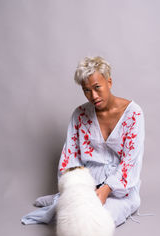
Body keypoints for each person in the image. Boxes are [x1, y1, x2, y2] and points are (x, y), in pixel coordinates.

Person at [21, 56, 145, 227]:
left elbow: (130, 162)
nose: (93, 96)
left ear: (109, 82)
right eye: (86, 90)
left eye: (97, 87)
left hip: (119, 190)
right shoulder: (79, 114)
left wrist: (105, 189)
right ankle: (61, 199)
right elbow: (70, 157)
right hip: (87, 182)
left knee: (94, 221)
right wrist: (79, 188)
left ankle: (60, 202)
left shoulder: (133, 114)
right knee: (71, 214)